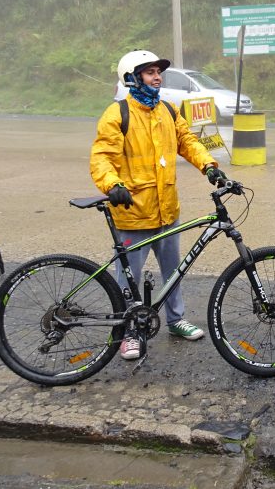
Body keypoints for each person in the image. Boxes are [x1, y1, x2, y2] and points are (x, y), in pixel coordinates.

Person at [90, 49, 227, 361]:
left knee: (173, 271)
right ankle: (128, 333)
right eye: (150, 72)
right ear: (132, 77)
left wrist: (209, 165)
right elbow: (102, 158)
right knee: (129, 279)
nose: (157, 77)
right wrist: (113, 185)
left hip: (166, 211)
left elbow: (187, 142)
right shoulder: (117, 114)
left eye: (158, 72)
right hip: (132, 213)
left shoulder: (167, 109)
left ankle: (176, 320)